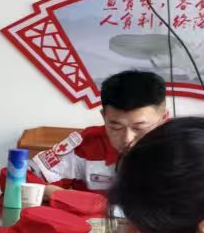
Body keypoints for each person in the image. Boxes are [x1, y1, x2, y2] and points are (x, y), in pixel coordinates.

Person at [25, 68, 167, 197]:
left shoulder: (177, 150)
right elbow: (22, 177)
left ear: (163, 119)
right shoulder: (86, 146)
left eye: (139, 128)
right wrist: (79, 200)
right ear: (104, 117)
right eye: (116, 127)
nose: (127, 138)